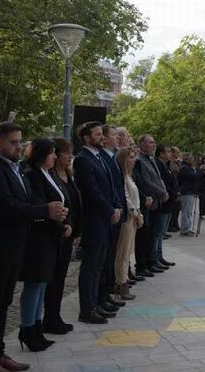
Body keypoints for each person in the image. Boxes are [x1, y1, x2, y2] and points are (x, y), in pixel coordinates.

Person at [0, 122, 67, 372]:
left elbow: (26, 200)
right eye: (13, 142)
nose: (19, 147)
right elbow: (6, 206)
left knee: (3, 303)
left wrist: (48, 211)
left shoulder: (16, 170)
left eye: (20, 141)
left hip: (15, 247)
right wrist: (44, 211)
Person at [19, 139, 73, 352]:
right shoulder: (32, 175)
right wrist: (60, 225)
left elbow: (62, 202)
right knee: (34, 283)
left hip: (52, 236)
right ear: (41, 155)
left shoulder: (48, 174)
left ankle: (37, 326)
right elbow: (40, 204)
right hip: (38, 238)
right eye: (51, 153)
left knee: (42, 283)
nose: (54, 157)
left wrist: (66, 223)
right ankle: (27, 329)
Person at [73, 121, 120, 325]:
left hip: (106, 218)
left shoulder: (98, 157)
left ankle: (97, 303)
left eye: (102, 134)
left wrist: (117, 206)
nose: (102, 137)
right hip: (94, 220)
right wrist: (109, 210)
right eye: (98, 134)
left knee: (100, 264)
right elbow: (92, 191)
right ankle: (87, 309)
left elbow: (111, 184)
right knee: (90, 266)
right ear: (86, 137)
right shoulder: (83, 160)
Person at [43, 137, 82, 335]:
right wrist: (63, 225)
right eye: (66, 152)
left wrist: (75, 229)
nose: (70, 156)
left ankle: (55, 315)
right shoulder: (49, 176)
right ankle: (49, 318)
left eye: (70, 152)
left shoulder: (68, 174)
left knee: (61, 277)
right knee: (52, 278)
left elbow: (74, 203)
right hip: (55, 233)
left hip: (69, 232)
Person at [98, 125, 126, 316]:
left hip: (116, 211)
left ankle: (106, 294)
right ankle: (100, 297)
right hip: (106, 215)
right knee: (103, 260)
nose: (117, 138)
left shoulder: (112, 157)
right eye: (114, 135)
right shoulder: (103, 158)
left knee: (110, 258)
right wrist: (113, 208)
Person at [132, 135, 165, 276]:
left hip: (153, 202)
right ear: (142, 145)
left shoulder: (150, 159)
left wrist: (164, 191)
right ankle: (142, 265)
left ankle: (149, 262)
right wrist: (162, 192)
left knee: (150, 235)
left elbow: (157, 178)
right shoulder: (139, 160)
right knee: (143, 237)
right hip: (145, 201)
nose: (154, 145)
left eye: (154, 142)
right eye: (151, 142)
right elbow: (145, 182)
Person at [114, 147, 143, 301]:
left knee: (127, 252)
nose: (134, 160)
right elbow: (126, 198)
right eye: (130, 157)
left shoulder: (129, 176)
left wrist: (139, 213)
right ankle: (121, 283)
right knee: (123, 254)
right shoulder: (122, 177)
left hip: (134, 216)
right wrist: (135, 212)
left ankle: (122, 280)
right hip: (128, 217)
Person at [154, 144, 177, 267]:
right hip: (164, 201)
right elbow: (162, 182)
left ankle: (159, 255)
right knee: (158, 232)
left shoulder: (167, 165)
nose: (170, 154)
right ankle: (155, 257)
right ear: (161, 154)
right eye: (168, 152)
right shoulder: (159, 165)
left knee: (162, 232)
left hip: (170, 201)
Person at [178, 155, 201, 235]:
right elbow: (193, 176)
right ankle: (184, 228)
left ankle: (187, 226)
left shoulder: (189, 168)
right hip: (187, 191)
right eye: (191, 159)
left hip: (190, 191)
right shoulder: (185, 168)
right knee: (186, 211)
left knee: (189, 211)